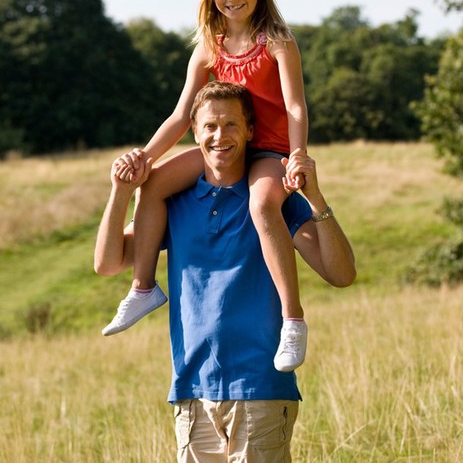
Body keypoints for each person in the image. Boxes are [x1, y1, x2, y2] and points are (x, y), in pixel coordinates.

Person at [94, 82, 356, 462]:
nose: (221, 136)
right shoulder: (174, 202)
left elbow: (341, 273)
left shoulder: (273, 201)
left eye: (232, 125)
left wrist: (314, 198)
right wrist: (120, 191)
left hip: (261, 390)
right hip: (191, 390)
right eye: (210, 127)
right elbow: (108, 263)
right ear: (195, 132)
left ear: (250, 131)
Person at [103, 0, 312, 372]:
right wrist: (144, 156)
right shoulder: (208, 48)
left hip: (267, 149)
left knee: (260, 203)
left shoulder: (277, 42)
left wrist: (296, 155)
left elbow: (295, 107)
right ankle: (143, 287)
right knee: (154, 182)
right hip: (222, 145)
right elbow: (182, 115)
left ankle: (293, 321)